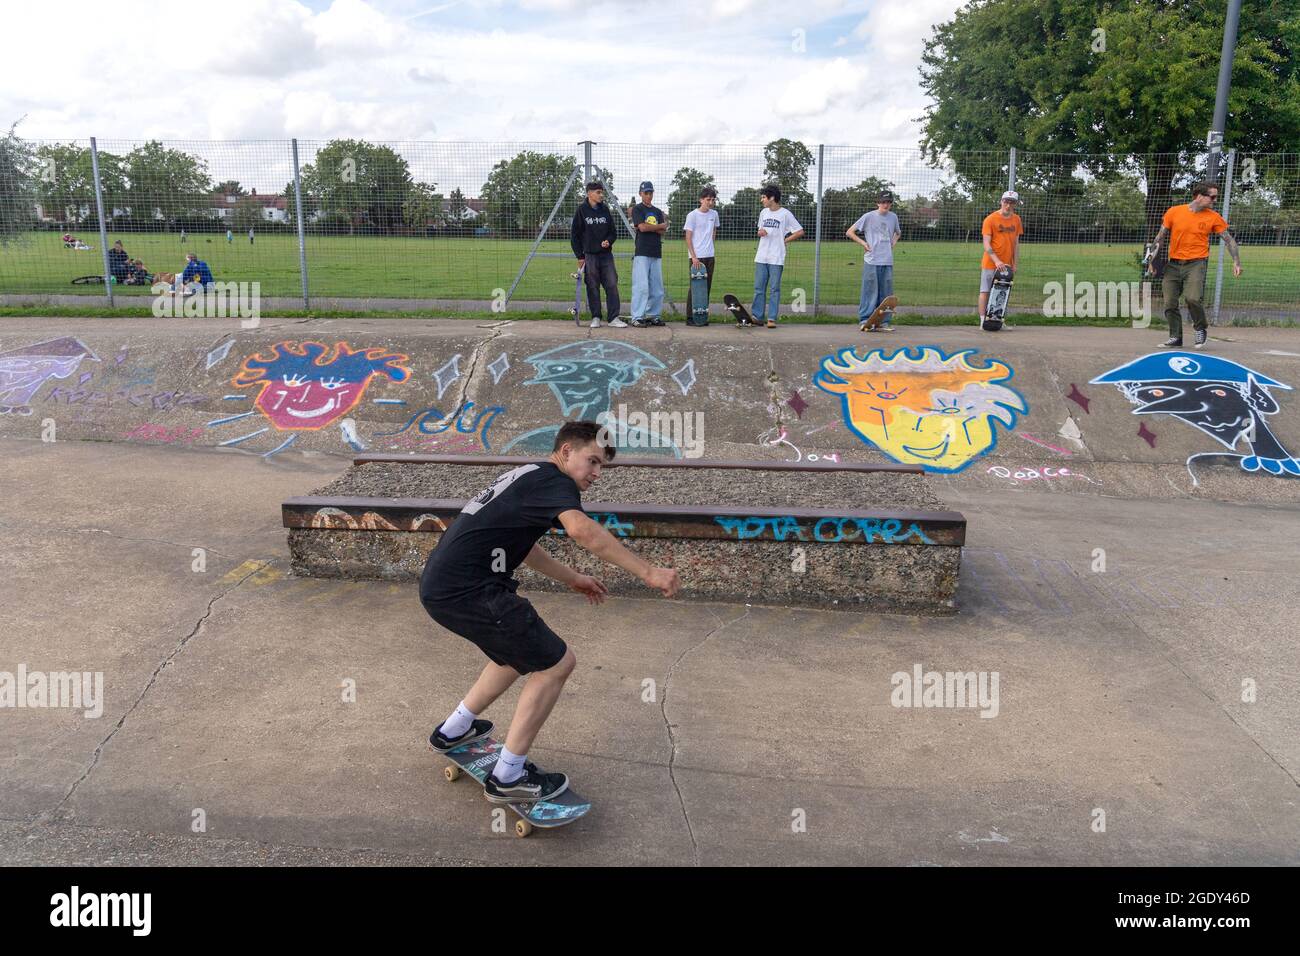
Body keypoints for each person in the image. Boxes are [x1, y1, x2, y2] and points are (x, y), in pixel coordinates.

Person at [420, 420, 680, 803]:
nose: (595, 474)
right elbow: (583, 532)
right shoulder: (555, 483)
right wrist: (649, 572)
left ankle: (455, 729)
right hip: (471, 591)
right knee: (555, 664)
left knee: (515, 656)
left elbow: (521, 544)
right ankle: (508, 776)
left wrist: (572, 577)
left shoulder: (528, 476)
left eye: (601, 467)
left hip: (443, 586)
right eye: (591, 461)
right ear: (565, 451)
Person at [1146, 180, 1242, 350]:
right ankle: (1175, 337)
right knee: (1169, 302)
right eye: (1212, 197)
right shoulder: (1174, 212)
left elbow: (1229, 240)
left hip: (1196, 264)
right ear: (1199, 196)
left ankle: (1200, 328)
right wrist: (1152, 260)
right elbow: (1160, 237)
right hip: (1173, 264)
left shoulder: (1213, 217)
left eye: (1216, 197)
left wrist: (1236, 261)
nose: (1214, 201)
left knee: (1192, 298)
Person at [570, 181, 626, 328]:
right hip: (589, 255)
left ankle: (613, 318)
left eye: (602, 192)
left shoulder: (605, 210)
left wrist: (608, 241)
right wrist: (580, 256)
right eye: (598, 192)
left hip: (606, 256)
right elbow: (574, 235)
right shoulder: (581, 210)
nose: (601, 195)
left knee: (612, 284)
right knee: (592, 286)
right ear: (589, 193)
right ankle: (596, 317)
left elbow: (613, 232)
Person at [848, 190, 901, 332]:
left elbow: (898, 232)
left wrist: (892, 243)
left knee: (886, 294)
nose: (886, 204)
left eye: (888, 202)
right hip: (872, 260)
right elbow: (850, 232)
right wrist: (864, 244)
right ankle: (865, 319)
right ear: (878, 203)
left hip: (887, 260)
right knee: (870, 291)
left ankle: (884, 322)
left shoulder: (893, 217)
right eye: (883, 202)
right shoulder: (869, 217)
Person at [753, 185, 804, 328]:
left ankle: (771, 319)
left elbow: (800, 231)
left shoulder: (785, 214)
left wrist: (785, 240)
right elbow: (759, 230)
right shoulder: (763, 212)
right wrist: (761, 232)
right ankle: (757, 317)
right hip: (762, 256)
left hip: (776, 257)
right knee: (759, 288)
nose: (762, 200)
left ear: (772, 198)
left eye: (764, 197)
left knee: (774, 288)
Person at [978, 190, 1023, 322]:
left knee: (1002, 292)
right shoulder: (990, 219)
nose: (1008, 205)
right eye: (1006, 201)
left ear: (1015, 204)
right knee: (985, 291)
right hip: (991, 263)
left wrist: (1015, 263)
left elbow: (1016, 243)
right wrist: (997, 261)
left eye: (1012, 202)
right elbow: (986, 244)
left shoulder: (1016, 219)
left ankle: (997, 320)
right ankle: (983, 321)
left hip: (1007, 265)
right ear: (1001, 201)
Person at [629, 181, 668, 328]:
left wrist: (655, 227)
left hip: (656, 252)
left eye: (651, 192)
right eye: (646, 192)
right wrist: (658, 226)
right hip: (642, 252)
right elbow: (643, 228)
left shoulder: (657, 211)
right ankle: (637, 316)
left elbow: (663, 231)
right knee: (641, 286)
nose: (649, 195)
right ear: (640, 194)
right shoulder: (637, 209)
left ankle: (653, 315)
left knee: (657, 287)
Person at [684, 186, 720, 324]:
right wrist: (693, 256)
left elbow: (713, 232)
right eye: (708, 199)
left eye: (712, 200)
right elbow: (688, 237)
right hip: (696, 257)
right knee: (695, 287)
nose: (710, 202)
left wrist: (711, 246)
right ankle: (690, 317)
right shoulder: (692, 215)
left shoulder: (714, 214)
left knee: (706, 288)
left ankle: (702, 317)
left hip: (710, 255)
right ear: (701, 200)